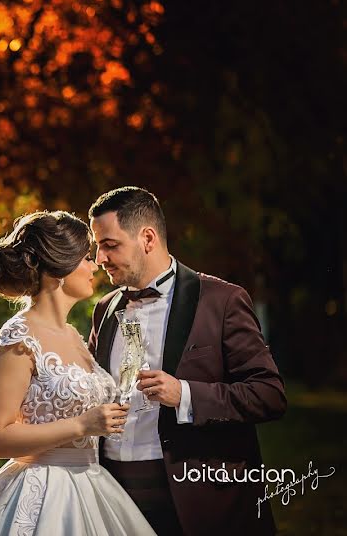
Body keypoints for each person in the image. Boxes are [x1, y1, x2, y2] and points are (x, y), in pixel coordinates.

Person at [87, 186, 287, 535]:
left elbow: (269, 394)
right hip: (112, 498)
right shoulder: (105, 310)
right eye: (98, 246)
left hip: (196, 499)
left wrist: (186, 394)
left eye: (109, 245)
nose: (99, 258)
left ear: (147, 238)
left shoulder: (221, 301)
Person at [0, 210, 155, 535]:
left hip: (93, 486)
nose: (95, 264)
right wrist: (82, 424)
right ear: (59, 268)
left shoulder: (74, 335)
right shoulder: (19, 337)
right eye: (85, 257)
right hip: (43, 493)